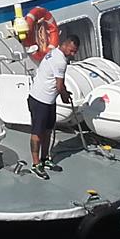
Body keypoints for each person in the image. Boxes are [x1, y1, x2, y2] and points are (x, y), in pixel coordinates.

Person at [28, 34, 79, 179]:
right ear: (65, 45)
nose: (72, 54)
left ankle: (45, 159)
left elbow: (58, 82)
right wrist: (64, 95)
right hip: (39, 100)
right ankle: (36, 164)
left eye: (75, 52)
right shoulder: (60, 61)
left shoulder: (55, 52)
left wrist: (62, 91)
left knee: (48, 131)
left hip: (49, 100)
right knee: (37, 133)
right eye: (71, 51)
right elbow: (59, 85)